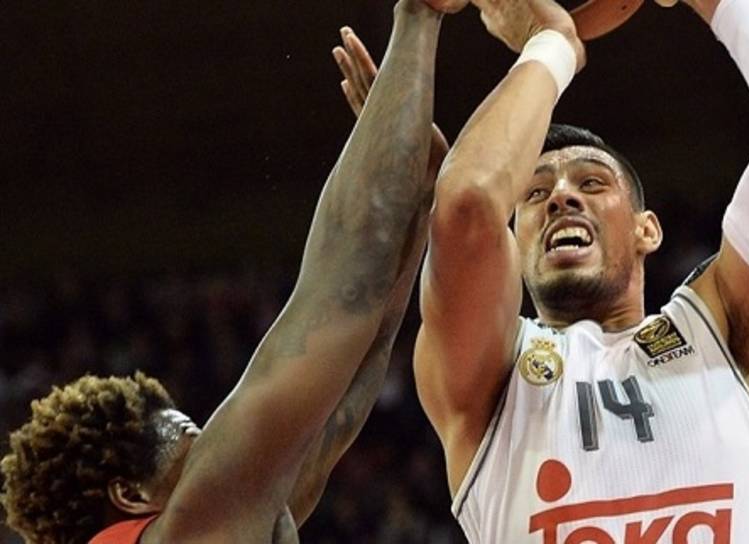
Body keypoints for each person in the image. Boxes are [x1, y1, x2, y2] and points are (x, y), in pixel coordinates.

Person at [0, 1, 463, 542]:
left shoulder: (225, 520)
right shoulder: (192, 522)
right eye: (197, 441)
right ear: (131, 494)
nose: (224, 445)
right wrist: (419, 16)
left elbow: (357, 364)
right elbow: (342, 285)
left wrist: (420, 200)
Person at [413, 0, 749, 542]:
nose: (561, 197)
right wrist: (555, 42)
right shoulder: (489, 375)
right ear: (512, 243)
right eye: (534, 194)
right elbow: (468, 206)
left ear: (647, 230)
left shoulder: (723, 329)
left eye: (591, 183)